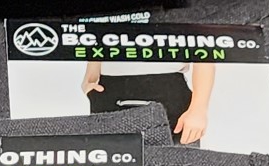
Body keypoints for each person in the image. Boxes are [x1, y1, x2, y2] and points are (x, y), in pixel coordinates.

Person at [82, 60, 215, 145]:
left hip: (170, 92)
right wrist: (90, 78)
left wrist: (199, 109)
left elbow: (204, 51)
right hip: (111, 91)